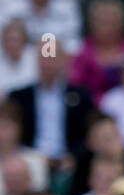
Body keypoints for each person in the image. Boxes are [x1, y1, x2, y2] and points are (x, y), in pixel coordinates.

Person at [11, 40, 95, 175]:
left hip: (71, 163)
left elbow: (90, 134)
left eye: (51, 58)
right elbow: (12, 136)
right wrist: (34, 157)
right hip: (29, 161)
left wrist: (74, 156)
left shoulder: (81, 96)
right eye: (43, 58)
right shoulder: (19, 97)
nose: (46, 64)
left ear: (64, 61)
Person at [68, 0, 124, 106]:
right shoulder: (81, 51)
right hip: (90, 110)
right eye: (103, 22)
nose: (107, 28)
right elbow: (75, 86)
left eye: (112, 23)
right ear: (92, 24)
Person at [0, 18, 37, 95]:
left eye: (15, 40)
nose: (12, 45)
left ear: (24, 41)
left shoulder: (35, 58)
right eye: (8, 40)